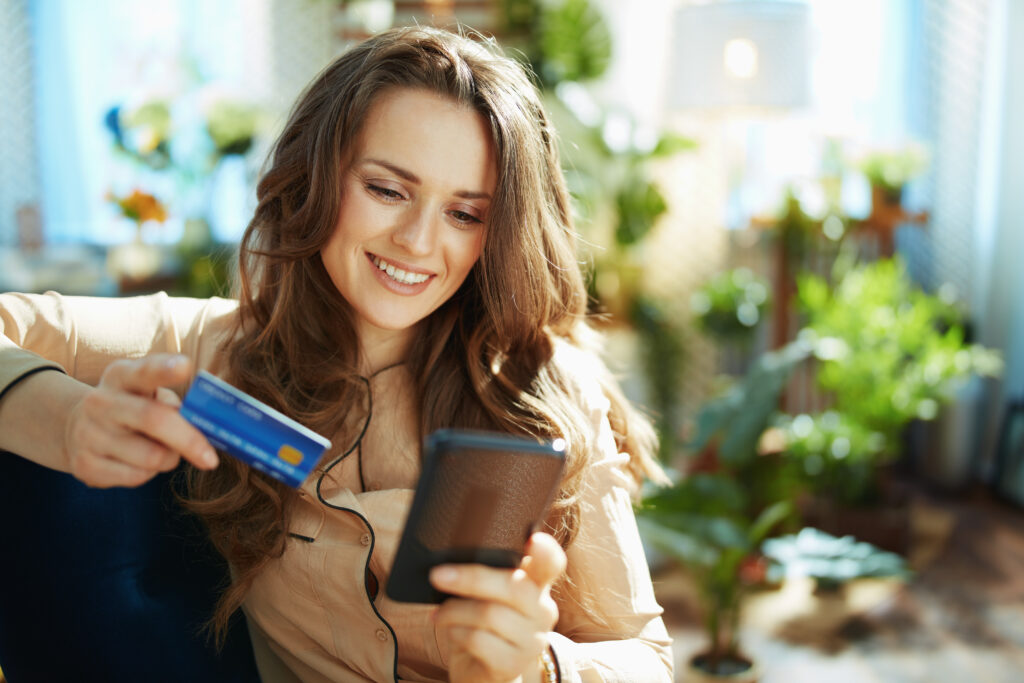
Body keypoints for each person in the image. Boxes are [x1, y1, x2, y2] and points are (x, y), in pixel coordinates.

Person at [0, 25, 673, 682]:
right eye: (387, 189)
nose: (416, 241)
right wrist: (66, 420)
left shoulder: (542, 392)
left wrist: (537, 668)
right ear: (317, 175)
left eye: (465, 214)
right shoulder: (217, 348)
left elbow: (647, 658)